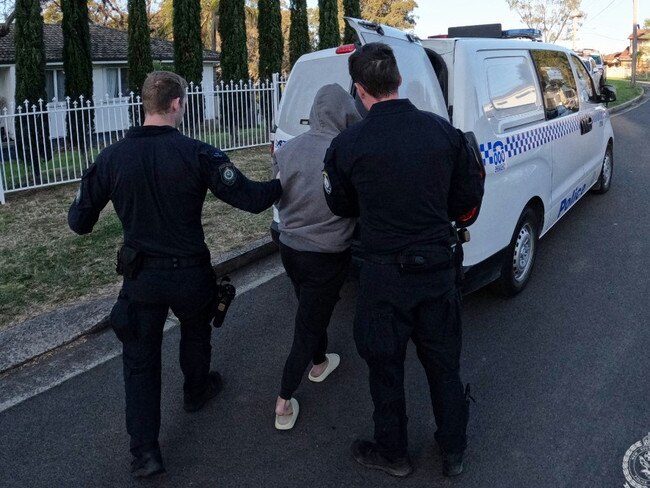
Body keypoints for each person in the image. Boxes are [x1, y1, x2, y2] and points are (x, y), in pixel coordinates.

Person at [68, 71, 282, 478]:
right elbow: (251, 199)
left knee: (140, 363)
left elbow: (79, 221)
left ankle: (145, 453)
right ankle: (196, 391)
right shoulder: (198, 153)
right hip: (189, 274)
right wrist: (283, 183)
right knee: (196, 331)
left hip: (141, 279)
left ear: (145, 105)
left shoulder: (112, 158)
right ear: (177, 104)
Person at [322, 43, 484, 478]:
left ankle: (393, 453)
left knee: (385, 369)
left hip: (382, 278)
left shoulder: (346, 144)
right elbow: (468, 198)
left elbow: (340, 205)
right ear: (398, 82)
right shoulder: (443, 133)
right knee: (443, 366)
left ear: (359, 90)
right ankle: (454, 451)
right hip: (436, 270)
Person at [271, 84, 361, 430]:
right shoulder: (344, 152)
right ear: (344, 111)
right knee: (306, 326)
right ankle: (283, 400)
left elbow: (279, 197)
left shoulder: (288, 148)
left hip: (290, 249)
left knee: (311, 310)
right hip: (327, 255)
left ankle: (321, 362)